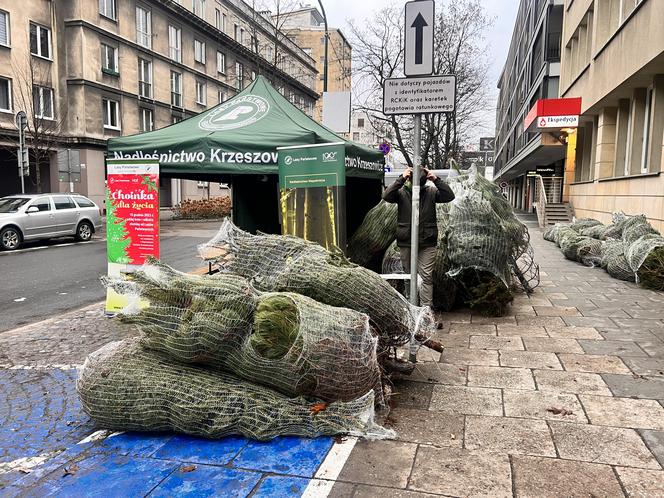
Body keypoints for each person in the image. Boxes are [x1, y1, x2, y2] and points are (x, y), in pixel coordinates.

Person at [382, 166, 455, 307]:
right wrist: (401, 178)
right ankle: (412, 306)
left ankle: (426, 310)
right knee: (409, 276)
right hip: (407, 241)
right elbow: (386, 196)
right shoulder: (401, 193)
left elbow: (449, 196)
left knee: (426, 276)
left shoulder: (432, 192)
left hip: (427, 242)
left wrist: (436, 179)